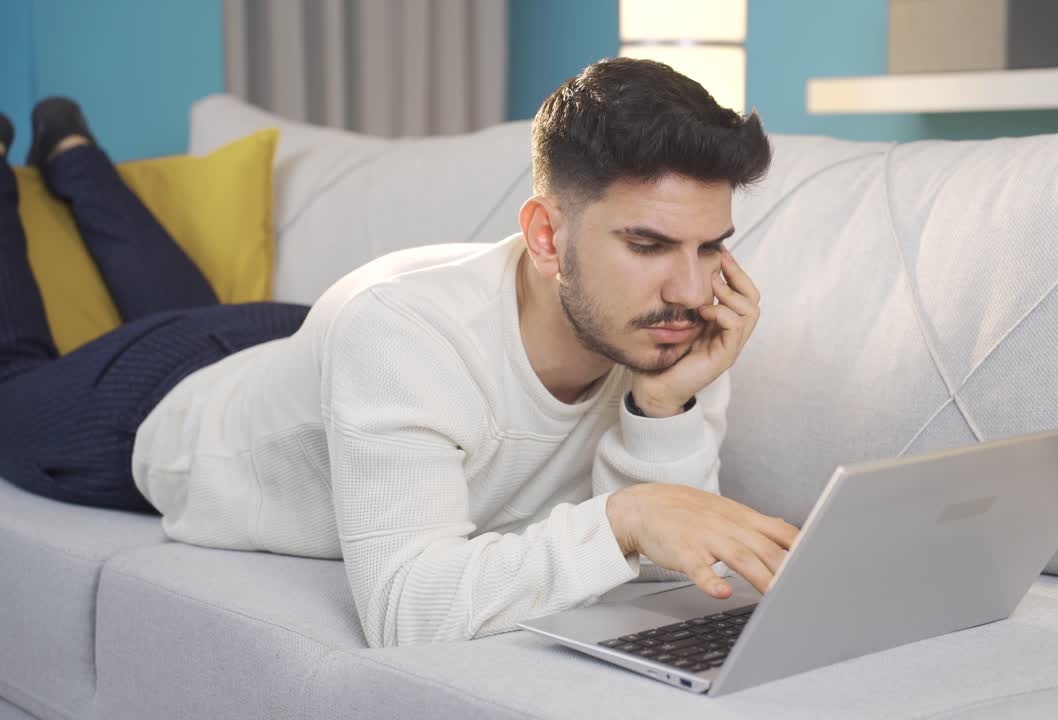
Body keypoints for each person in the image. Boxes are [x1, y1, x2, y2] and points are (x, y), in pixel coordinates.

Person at [0, 58, 800, 648]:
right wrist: (623, 519)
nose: (693, 290)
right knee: (14, 374)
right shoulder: (403, 335)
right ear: (546, 236)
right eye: (649, 244)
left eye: (710, 247)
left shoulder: (665, 332)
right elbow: (408, 613)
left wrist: (663, 407)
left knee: (193, 305)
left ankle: (70, 146)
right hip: (158, 407)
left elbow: (665, 567)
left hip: (306, 353)